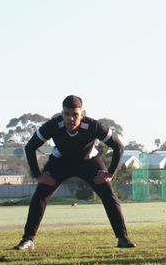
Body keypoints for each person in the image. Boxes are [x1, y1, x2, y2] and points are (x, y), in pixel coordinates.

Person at [13, 95, 134, 250]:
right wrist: (38, 175)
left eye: (75, 114)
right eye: (67, 114)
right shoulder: (53, 125)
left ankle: (122, 238)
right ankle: (27, 240)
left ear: (82, 115)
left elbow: (118, 146)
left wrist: (110, 173)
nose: (70, 118)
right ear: (62, 113)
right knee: (40, 195)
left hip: (88, 162)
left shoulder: (93, 126)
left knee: (109, 194)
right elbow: (30, 147)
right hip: (60, 162)